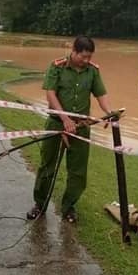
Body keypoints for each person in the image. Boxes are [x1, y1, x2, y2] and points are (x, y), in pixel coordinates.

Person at [27, 35, 112, 223]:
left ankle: (69, 208)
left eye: (89, 57)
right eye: (83, 56)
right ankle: (40, 205)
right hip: (56, 125)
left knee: (78, 171)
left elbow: (101, 94)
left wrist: (109, 111)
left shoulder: (92, 71)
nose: (87, 60)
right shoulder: (56, 67)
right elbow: (50, 94)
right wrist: (65, 118)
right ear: (73, 51)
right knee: (47, 167)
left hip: (81, 129)